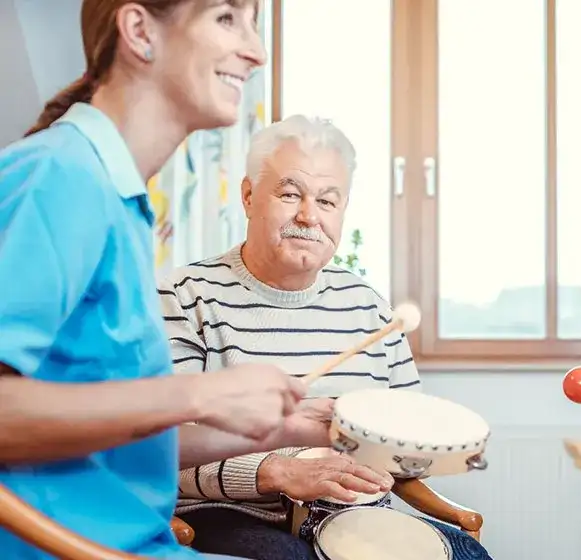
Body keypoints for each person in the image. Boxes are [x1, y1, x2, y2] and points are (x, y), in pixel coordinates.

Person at [0, 2, 387, 559]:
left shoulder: (118, 199)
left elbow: (124, 441)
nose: (256, 50)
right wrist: (199, 392)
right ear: (139, 31)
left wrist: (290, 428)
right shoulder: (59, 176)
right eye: (228, 18)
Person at [160, 115, 492, 560]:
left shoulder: (370, 307)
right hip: (232, 513)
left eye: (327, 201)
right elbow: (157, 448)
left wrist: (444, 446)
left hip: (356, 517)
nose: (308, 216)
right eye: (290, 193)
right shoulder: (184, 298)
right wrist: (277, 471)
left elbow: (404, 442)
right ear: (248, 196)